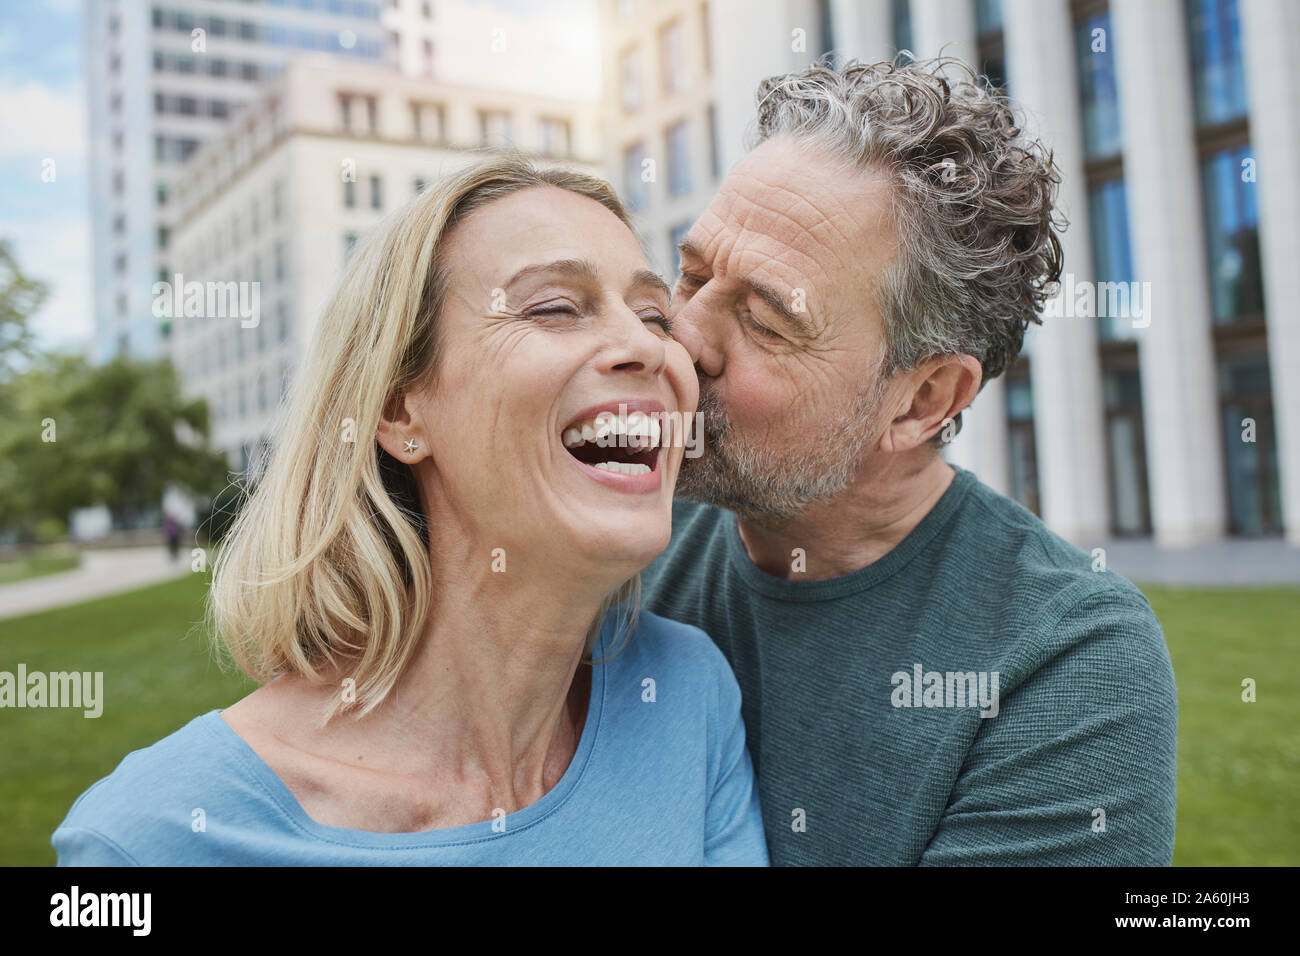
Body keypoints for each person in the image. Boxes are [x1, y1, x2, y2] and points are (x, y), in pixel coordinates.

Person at [52, 156, 768, 866]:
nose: (647, 345)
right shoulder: (155, 840)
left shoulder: (685, 697)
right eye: (554, 307)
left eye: (653, 315)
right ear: (399, 408)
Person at [641, 58, 1178, 865]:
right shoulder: (613, 529)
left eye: (764, 320)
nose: (684, 337)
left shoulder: (1068, 664)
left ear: (923, 400)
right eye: (690, 276)